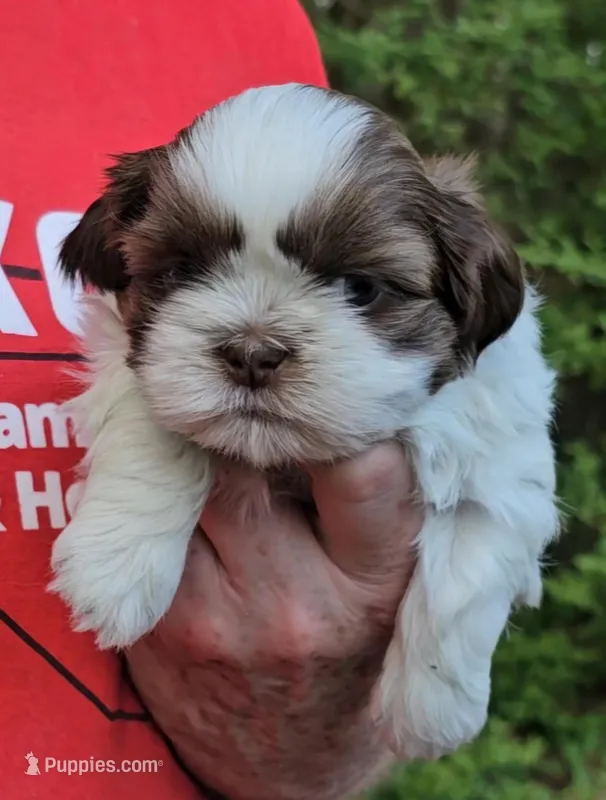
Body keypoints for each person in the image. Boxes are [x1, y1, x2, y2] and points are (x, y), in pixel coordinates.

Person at [0, 1, 422, 798]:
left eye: (352, 288)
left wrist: (325, 720)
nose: (256, 339)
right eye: (181, 272)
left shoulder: (261, 23)